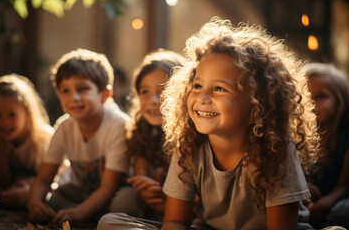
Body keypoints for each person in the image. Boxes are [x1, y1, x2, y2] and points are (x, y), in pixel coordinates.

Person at [98, 17, 321, 230]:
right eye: (197, 86)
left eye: (219, 89)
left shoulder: (275, 149)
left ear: (257, 102)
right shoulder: (188, 145)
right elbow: (175, 221)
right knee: (110, 222)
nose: (202, 98)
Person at [27, 48, 130, 227]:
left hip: (114, 193)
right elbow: (44, 178)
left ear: (105, 94)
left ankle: (89, 216)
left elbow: (109, 186)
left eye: (82, 89)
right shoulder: (64, 126)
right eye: (65, 91)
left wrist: (79, 212)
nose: (73, 97)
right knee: (49, 202)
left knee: (125, 203)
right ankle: (83, 215)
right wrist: (34, 204)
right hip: (80, 193)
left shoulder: (118, 125)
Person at [97, 49, 187, 229]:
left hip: (187, 213)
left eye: (163, 91)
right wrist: (148, 188)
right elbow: (141, 177)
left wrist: (164, 202)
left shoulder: (189, 137)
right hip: (156, 207)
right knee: (113, 214)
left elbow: (195, 201)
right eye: (144, 92)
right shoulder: (142, 130)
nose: (152, 100)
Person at [302, 63, 349, 229]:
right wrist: (302, 190)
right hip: (308, 203)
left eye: (320, 96)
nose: (311, 103)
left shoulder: (348, 137)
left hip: (337, 201)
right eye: (305, 96)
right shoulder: (296, 138)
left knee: (344, 211)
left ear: (340, 100)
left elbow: (345, 186)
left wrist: (323, 205)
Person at [0, 74, 53, 208]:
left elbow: (56, 180)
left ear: (27, 113)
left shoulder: (44, 140)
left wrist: (30, 188)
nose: (4, 122)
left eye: (11, 115)